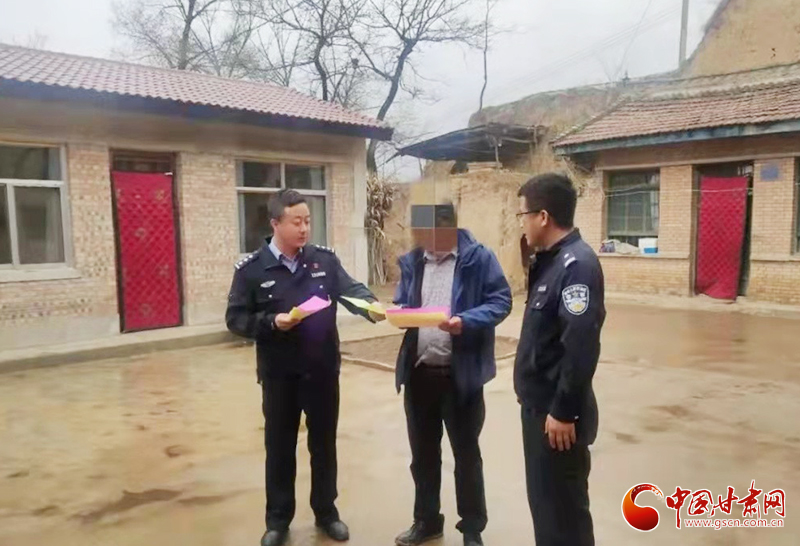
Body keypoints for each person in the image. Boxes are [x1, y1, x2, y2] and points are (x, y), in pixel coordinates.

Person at [226, 189, 382, 546]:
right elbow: (235, 319)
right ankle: (278, 521)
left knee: (324, 446)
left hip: (322, 372)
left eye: (308, 221)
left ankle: (327, 514)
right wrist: (271, 322)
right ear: (275, 223)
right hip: (280, 377)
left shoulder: (323, 261)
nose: (304, 229)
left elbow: (351, 290)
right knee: (280, 448)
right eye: (296, 222)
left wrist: (372, 306)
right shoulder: (252, 270)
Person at [392, 202, 512, 546]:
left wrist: (466, 321)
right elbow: (404, 300)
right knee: (423, 457)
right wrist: (398, 312)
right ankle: (427, 521)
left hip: (461, 377)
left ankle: (472, 528)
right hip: (420, 374)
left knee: (466, 455)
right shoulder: (414, 261)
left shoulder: (478, 258)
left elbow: (501, 300)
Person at [514, 173, 606, 546]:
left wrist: (565, 410)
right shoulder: (551, 262)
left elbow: (581, 345)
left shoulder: (576, 265)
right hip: (541, 411)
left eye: (523, 215)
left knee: (564, 517)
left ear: (543, 217)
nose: (521, 223)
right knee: (548, 512)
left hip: (557, 420)